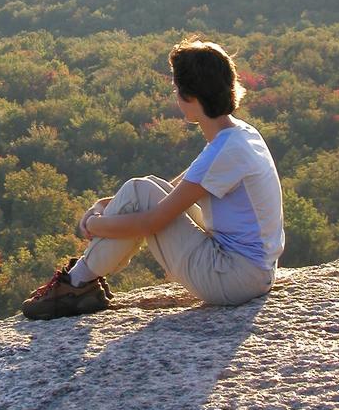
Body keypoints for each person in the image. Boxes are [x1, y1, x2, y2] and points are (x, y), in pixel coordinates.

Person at [22, 38, 285, 320]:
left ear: (191, 98)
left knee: (142, 191)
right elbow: (172, 192)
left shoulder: (223, 152)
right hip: (253, 271)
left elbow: (152, 221)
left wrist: (95, 223)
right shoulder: (241, 135)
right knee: (143, 187)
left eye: (177, 90)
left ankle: (77, 284)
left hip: (233, 278)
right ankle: (80, 280)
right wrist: (103, 203)